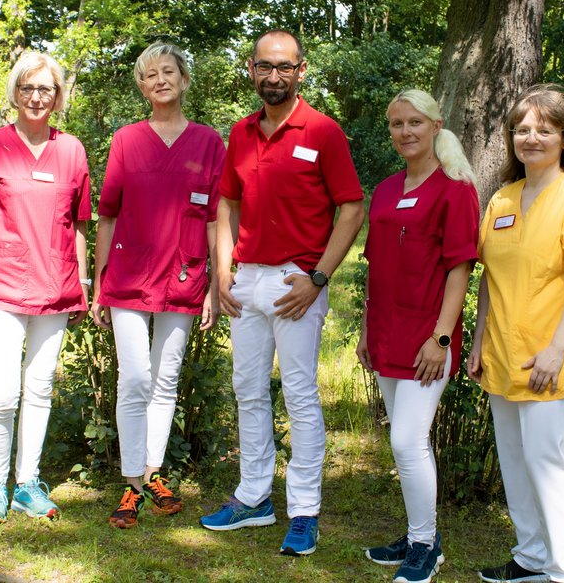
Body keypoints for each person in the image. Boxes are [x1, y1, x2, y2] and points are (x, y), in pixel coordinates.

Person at [199, 29, 365, 557]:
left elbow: (352, 207)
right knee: (247, 389)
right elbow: (226, 204)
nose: (274, 76)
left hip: (297, 280)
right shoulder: (241, 132)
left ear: (301, 69)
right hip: (246, 279)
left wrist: (318, 277)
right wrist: (222, 272)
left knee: (299, 395)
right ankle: (253, 498)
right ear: (251, 69)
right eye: (265, 66)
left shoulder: (323, 131)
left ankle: (305, 510)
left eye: (284, 67)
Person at [467, 84, 564, 583]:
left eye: (543, 130)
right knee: (515, 464)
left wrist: (554, 350)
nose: (531, 138)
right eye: (522, 129)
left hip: (549, 358)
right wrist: (478, 340)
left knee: (548, 466)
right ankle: (529, 558)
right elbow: (489, 277)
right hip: (502, 354)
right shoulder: (502, 198)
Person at [91, 41, 226, 529]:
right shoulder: (126, 139)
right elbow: (107, 215)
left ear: (184, 80)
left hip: (186, 275)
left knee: (165, 379)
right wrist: (100, 279)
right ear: (141, 86)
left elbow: (216, 219)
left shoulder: (210, 143)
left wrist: (215, 284)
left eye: (168, 72)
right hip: (128, 276)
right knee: (137, 378)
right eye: (150, 75)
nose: (160, 81)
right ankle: (130, 483)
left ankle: (152, 473)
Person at [0, 51, 92, 523]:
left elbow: (78, 225)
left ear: (58, 97)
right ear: (15, 94)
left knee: (39, 389)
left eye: (46, 89)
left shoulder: (72, 150)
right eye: (28, 88)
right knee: (2, 392)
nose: (37, 97)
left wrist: (83, 285)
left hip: (55, 289)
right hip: (0, 287)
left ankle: (27, 484)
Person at [356, 89, 479, 583]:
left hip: (429, 338)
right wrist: (367, 330)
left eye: (414, 123)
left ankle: (426, 545)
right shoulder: (386, 190)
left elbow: (460, 268)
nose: (405, 132)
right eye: (396, 124)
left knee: (408, 440)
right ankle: (416, 532)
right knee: (406, 441)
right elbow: (373, 266)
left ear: (436, 125)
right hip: (386, 332)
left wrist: (443, 338)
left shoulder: (456, 188)